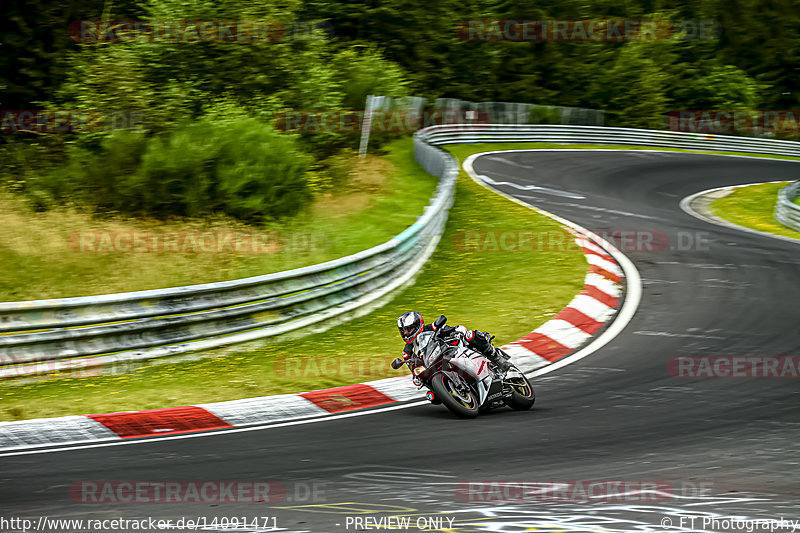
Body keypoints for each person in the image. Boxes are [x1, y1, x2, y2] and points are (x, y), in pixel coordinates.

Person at [396, 311, 511, 371]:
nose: (405, 333)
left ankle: (496, 358)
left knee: (470, 335)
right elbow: (413, 369)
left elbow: (447, 327)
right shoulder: (407, 352)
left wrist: (456, 330)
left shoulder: (430, 328)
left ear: (417, 325)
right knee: (433, 396)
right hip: (436, 365)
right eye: (403, 331)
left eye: (408, 329)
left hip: (451, 350)